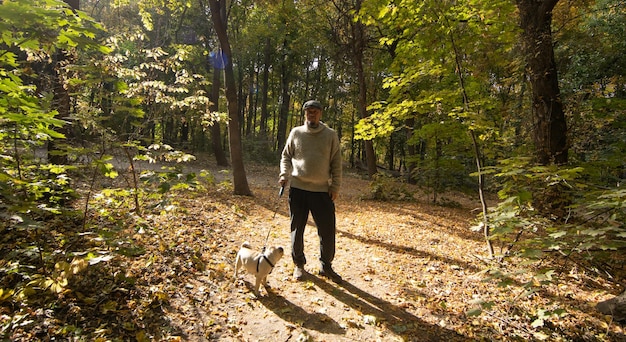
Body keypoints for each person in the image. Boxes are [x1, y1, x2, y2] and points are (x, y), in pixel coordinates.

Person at [279, 100, 343, 283]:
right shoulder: (296, 133)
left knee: (327, 230)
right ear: (305, 114)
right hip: (298, 189)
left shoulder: (330, 135)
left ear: (320, 114)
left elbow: (336, 163)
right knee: (297, 229)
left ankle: (326, 266)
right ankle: (299, 265)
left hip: (322, 191)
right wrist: (284, 174)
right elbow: (286, 155)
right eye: (308, 112)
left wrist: (335, 186)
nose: (311, 115)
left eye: (314, 112)